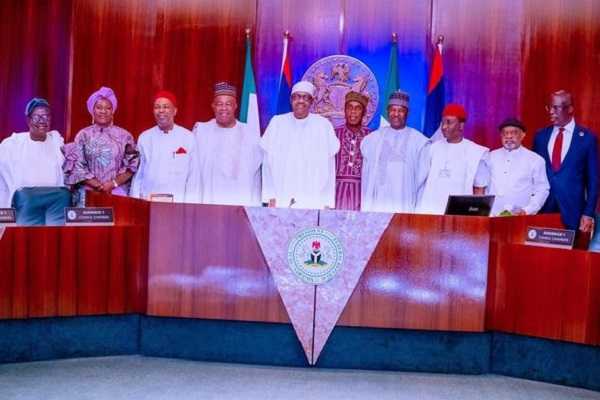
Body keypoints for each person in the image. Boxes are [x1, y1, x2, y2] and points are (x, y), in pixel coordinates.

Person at [261, 81, 340, 209]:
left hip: (313, 198)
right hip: (281, 195)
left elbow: (330, 167)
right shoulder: (277, 123)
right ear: (291, 100)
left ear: (312, 102)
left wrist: (327, 201)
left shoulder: (323, 125)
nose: (301, 101)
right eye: (297, 97)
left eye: (305, 97)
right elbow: (267, 164)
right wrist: (269, 196)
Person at [533, 90, 598, 234]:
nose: (551, 112)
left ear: (570, 109)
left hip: (574, 213)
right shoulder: (540, 137)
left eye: (556, 108)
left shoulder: (587, 139)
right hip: (543, 211)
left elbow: (593, 181)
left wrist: (588, 213)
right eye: (549, 107)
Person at [0, 98, 70, 225]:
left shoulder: (56, 142)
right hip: (25, 202)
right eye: (37, 117)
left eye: (46, 116)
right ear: (28, 120)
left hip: (55, 203)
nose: (42, 120)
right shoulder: (13, 144)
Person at [64, 86, 139, 203]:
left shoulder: (124, 136)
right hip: (87, 193)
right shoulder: (83, 135)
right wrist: (98, 185)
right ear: (93, 110)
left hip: (117, 193)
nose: (103, 111)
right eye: (99, 107)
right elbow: (77, 166)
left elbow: (132, 165)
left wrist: (113, 184)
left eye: (108, 108)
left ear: (112, 111)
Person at [193, 82, 262, 206]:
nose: (223, 108)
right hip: (208, 203)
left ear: (235, 106)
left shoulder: (250, 134)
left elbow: (256, 176)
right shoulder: (201, 131)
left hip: (240, 205)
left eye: (228, 104)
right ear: (213, 106)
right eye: (219, 104)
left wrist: (255, 207)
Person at [361, 90, 428, 213]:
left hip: (404, 203)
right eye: (393, 110)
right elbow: (367, 176)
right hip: (379, 203)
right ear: (387, 112)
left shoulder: (419, 142)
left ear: (407, 113)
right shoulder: (372, 139)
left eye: (401, 110)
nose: (396, 114)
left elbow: (421, 179)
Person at [417, 104, 490, 215]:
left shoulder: (475, 152)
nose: (444, 127)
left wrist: (476, 216)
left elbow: (479, 189)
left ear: (461, 125)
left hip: (459, 214)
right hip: (430, 213)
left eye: (449, 122)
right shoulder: (432, 148)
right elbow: (420, 181)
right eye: (442, 122)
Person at [130, 91, 199, 203]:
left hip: (178, 202)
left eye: (166, 107)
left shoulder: (188, 137)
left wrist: (189, 204)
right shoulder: (145, 137)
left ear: (175, 111)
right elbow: (138, 174)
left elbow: (193, 176)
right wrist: (136, 201)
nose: (161, 110)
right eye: (157, 107)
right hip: (149, 199)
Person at [488, 118, 549, 216]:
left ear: (523, 135)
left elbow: (542, 189)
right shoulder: (490, 157)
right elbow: (482, 186)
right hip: (492, 216)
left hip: (520, 217)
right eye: (505, 133)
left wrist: (528, 210)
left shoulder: (535, 160)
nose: (509, 136)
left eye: (514, 133)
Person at [334, 91, 371, 211]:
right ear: (344, 111)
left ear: (364, 112)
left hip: (362, 192)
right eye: (349, 107)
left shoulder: (372, 137)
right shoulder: (333, 134)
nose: (353, 112)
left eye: (358, 108)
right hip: (336, 192)